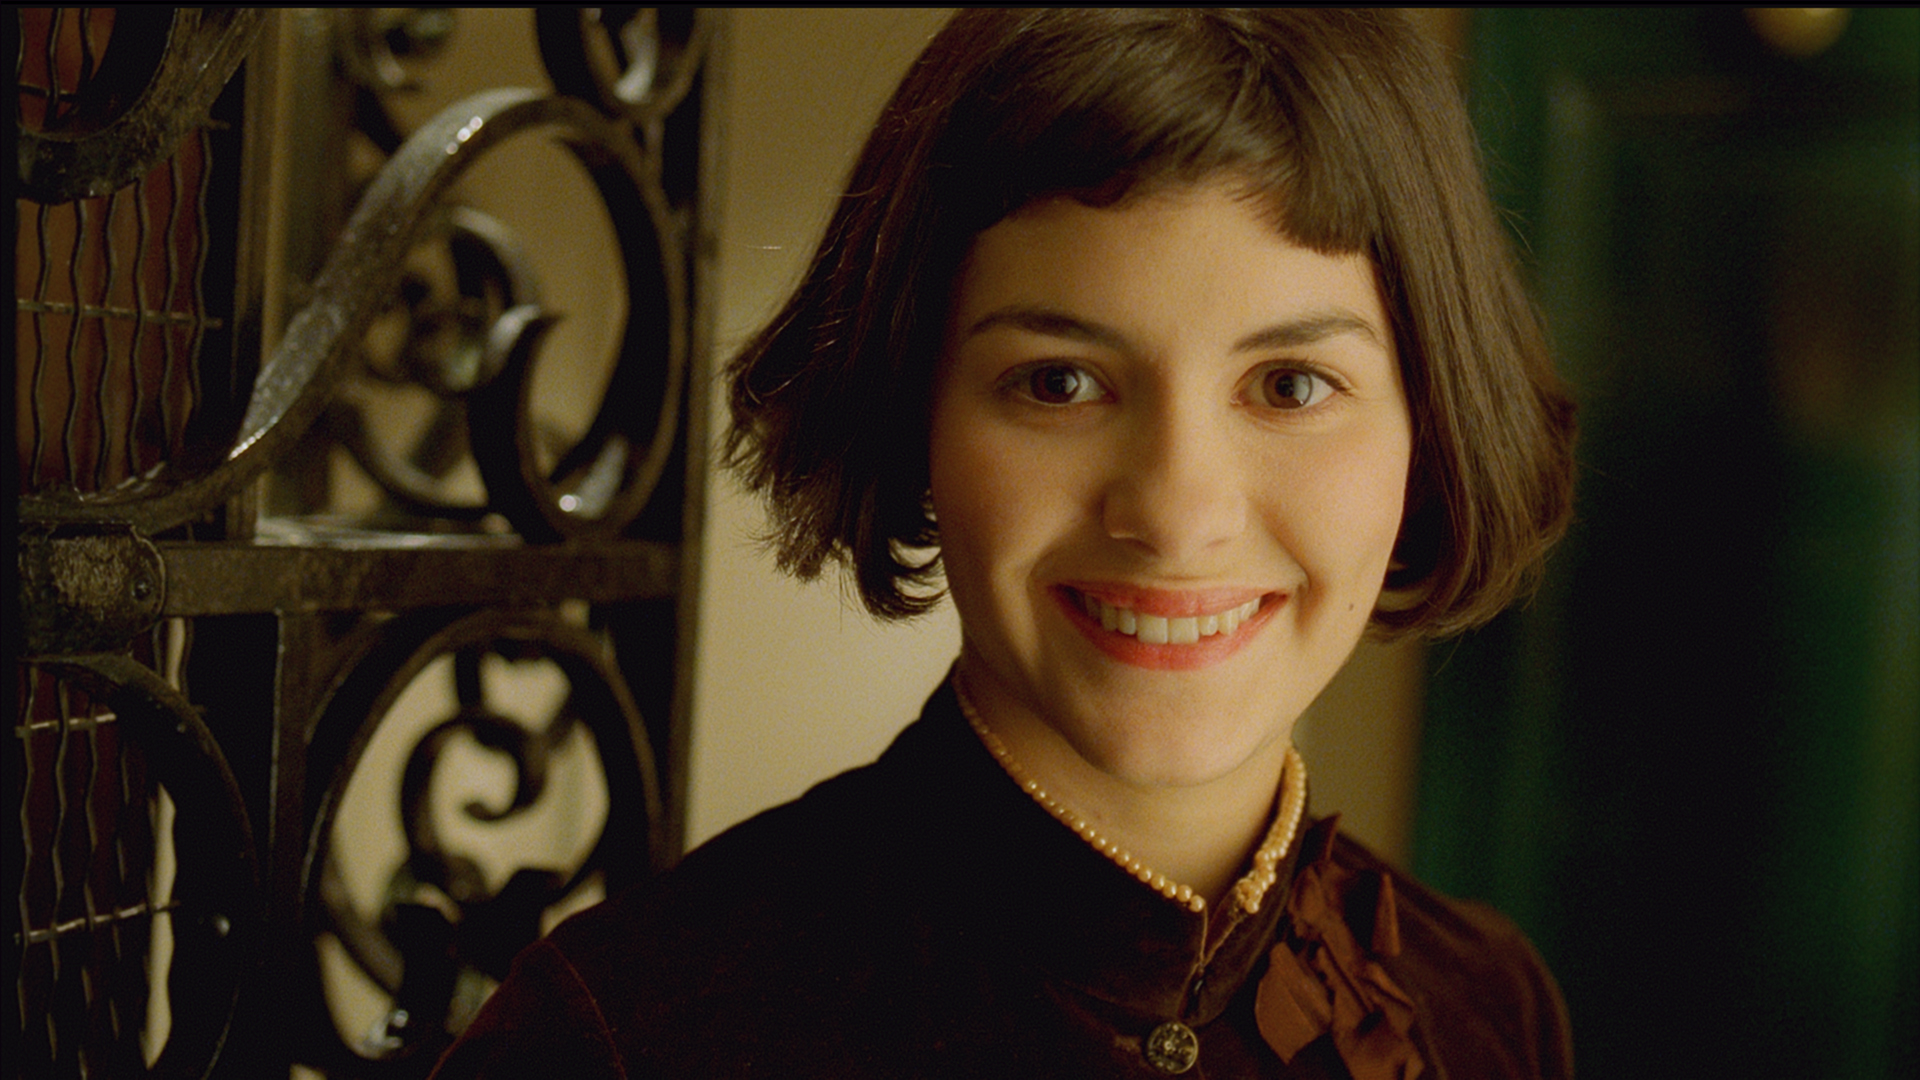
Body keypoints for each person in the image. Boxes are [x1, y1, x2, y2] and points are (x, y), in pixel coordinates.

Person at [433, 9, 1577, 1078]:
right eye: (1059, 383)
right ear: (912, 411)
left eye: (1290, 385)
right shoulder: (623, 1032)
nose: (1177, 515)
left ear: (1430, 424)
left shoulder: (1490, 1005)